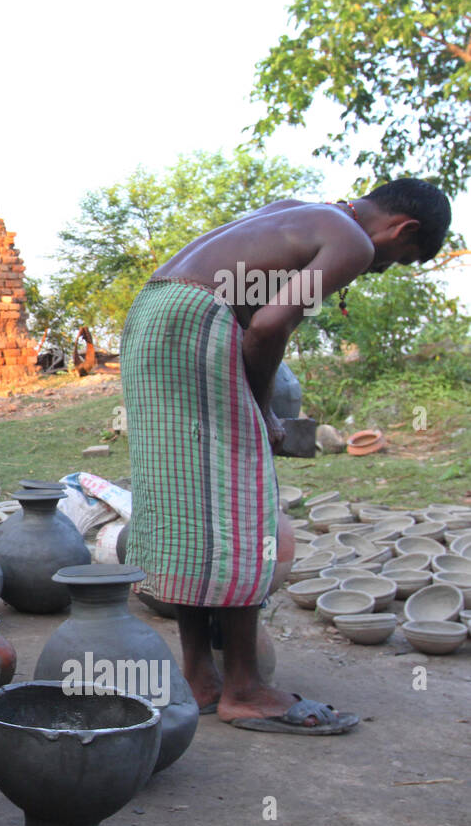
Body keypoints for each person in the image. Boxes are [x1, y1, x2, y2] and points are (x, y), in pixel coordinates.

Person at [121, 178, 451, 734]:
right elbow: (269, 326)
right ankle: (245, 690)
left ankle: (202, 678)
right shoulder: (354, 241)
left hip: (151, 314)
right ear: (404, 228)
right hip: (197, 319)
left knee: (187, 500)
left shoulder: (300, 212)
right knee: (239, 495)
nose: (382, 267)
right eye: (401, 259)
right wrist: (264, 410)